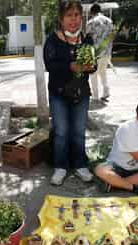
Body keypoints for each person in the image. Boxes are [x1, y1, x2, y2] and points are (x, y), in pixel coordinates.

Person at [43, 0, 95, 186]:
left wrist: (90, 66)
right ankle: (60, 167)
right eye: (69, 16)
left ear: (81, 17)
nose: (73, 20)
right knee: (62, 131)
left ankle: (80, 164)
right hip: (59, 93)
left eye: (76, 15)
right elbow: (50, 65)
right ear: (61, 19)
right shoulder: (53, 40)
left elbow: (92, 66)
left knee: (79, 131)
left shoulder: (87, 40)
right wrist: (70, 66)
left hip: (81, 93)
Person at [86, 3, 114, 101]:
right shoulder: (109, 21)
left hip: (96, 53)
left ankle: (95, 95)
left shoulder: (91, 22)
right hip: (107, 52)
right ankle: (106, 92)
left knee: (93, 74)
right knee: (103, 72)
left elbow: (88, 38)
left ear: (92, 11)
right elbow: (111, 36)